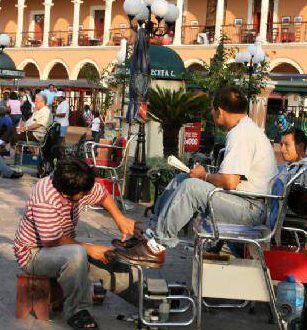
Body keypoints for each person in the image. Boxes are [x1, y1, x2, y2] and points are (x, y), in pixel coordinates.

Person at [112, 86, 278, 268]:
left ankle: (156, 245)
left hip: (251, 210)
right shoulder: (244, 129)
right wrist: (202, 176)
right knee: (181, 180)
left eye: (212, 110)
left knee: (191, 188)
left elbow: (230, 181)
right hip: (245, 203)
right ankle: (150, 235)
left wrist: (203, 176)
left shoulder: (241, 134)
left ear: (220, 110)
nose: (212, 113)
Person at [13, 158, 137, 330]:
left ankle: (147, 299)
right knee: (78, 254)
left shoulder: (75, 181)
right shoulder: (44, 197)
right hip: (34, 254)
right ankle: (77, 311)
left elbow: (102, 195)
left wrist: (120, 219)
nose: (87, 196)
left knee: (110, 257)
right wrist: (89, 248)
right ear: (66, 194)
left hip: (63, 247)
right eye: (83, 195)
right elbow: (52, 240)